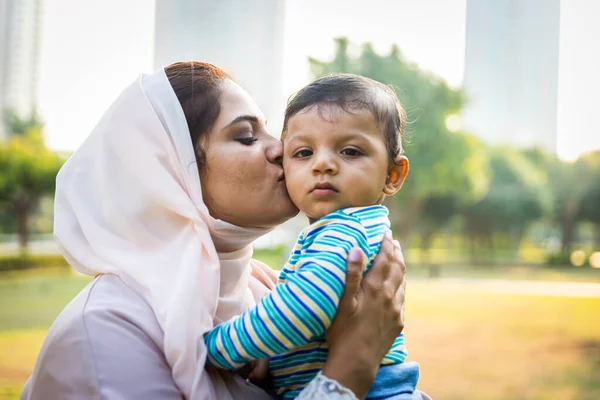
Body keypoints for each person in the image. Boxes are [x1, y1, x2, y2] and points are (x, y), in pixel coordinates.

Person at [20, 62, 409, 400]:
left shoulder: (259, 289)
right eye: (246, 136)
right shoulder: (106, 332)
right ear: (172, 173)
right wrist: (353, 363)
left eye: (272, 133)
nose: (281, 150)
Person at [204, 74, 427, 399]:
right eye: (304, 152)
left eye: (350, 152)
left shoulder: (342, 231)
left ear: (393, 175)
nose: (323, 164)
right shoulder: (357, 228)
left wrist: (218, 347)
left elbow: (305, 309)